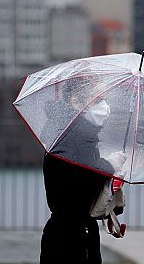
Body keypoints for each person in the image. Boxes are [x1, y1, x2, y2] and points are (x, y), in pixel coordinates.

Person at [40, 89, 126, 264]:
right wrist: (109, 165)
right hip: (71, 239)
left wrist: (110, 195)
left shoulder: (72, 131)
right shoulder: (73, 135)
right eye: (98, 100)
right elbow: (82, 178)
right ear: (75, 101)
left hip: (72, 233)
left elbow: (79, 182)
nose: (105, 107)